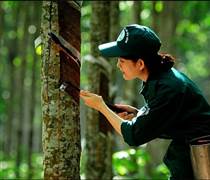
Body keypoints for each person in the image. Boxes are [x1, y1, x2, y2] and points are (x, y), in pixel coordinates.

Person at [80, 24, 210, 180]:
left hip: (202, 152)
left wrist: (101, 107)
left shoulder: (168, 88)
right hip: (187, 152)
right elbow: (164, 116)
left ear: (140, 64)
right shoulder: (159, 77)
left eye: (121, 60)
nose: (118, 65)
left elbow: (134, 135)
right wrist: (137, 113)